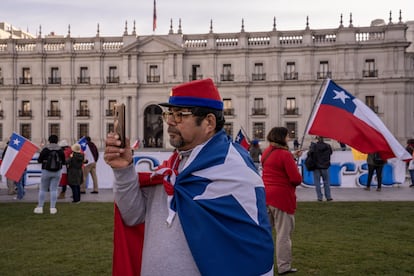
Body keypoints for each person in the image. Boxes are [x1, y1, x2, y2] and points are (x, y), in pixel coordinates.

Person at [104, 78, 274, 275]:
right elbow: (133, 216)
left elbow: (251, 249)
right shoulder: (172, 168)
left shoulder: (234, 170)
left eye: (180, 115)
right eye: (169, 114)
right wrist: (123, 170)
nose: (169, 122)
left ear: (209, 122)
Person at [261, 127, 302, 275]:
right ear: (281, 137)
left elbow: (276, 161)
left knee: (265, 233)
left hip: (267, 197)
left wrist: (292, 156)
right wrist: (292, 160)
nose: (289, 138)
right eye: (287, 136)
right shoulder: (285, 155)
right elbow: (296, 179)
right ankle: (284, 266)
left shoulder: (267, 152)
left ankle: (261, 262)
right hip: (282, 199)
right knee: (283, 235)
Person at [34, 135, 65, 214]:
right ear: (57, 141)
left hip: (46, 170)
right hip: (57, 171)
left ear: (49, 141)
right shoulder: (60, 150)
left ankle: (40, 207)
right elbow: (64, 161)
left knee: (43, 189)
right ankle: (53, 208)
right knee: (54, 189)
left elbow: (39, 160)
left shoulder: (45, 149)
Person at [308, 136, 333, 201]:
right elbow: (330, 153)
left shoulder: (314, 146)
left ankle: (319, 197)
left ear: (317, 139)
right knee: (326, 182)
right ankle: (328, 196)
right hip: (325, 166)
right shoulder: (328, 146)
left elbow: (309, 154)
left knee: (317, 183)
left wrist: (311, 145)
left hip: (316, 166)